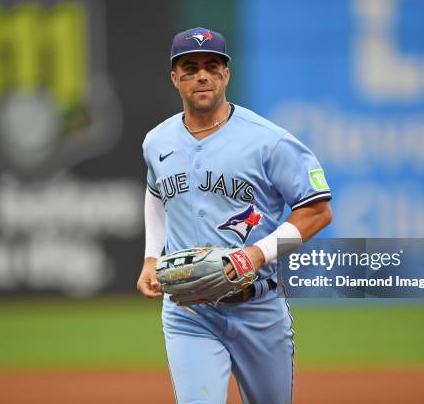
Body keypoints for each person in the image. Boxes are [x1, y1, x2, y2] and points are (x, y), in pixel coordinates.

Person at [136, 27, 332, 403]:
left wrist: (256, 254)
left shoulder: (268, 140)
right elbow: (156, 193)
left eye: (212, 65)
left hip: (257, 306)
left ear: (227, 73)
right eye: (190, 68)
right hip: (188, 311)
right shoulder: (157, 141)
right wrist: (150, 257)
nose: (202, 75)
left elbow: (318, 212)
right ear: (175, 78)